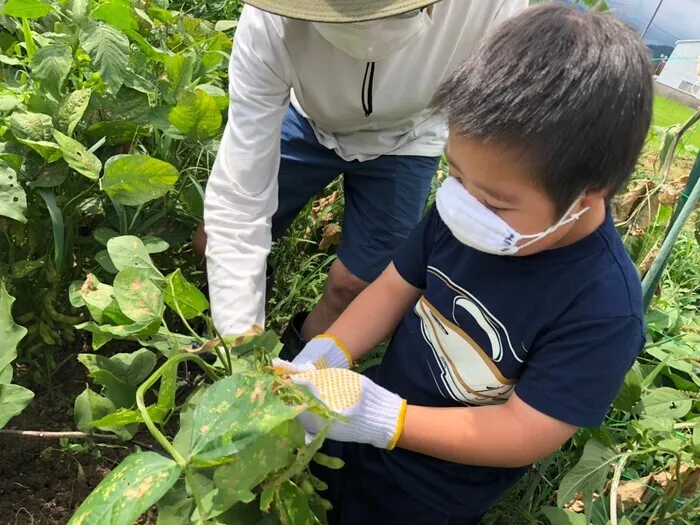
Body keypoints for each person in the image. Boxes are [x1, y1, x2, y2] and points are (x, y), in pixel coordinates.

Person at [274, 3, 652, 523]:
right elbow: (392, 287)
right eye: (454, 174)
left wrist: (389, 421)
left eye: (495, 202)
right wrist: (330, 352)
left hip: (435, 487)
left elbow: (525, 431)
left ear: (588, 195)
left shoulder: (603, 308)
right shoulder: (462, 212)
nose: (464, 205)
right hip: (372, 416)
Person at [199, 0, 527, 353]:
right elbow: (238, 209)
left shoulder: (491, 6)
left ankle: (298, 370)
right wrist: (240, 351)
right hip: (306, 119)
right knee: (212, 242)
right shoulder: (270, 22)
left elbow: (497, 117)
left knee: (355, 284)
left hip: (409, 136)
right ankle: (237, 329)